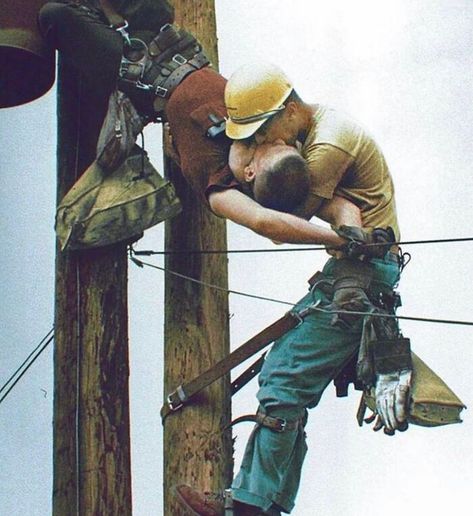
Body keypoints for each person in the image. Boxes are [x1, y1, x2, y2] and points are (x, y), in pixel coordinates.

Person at [175, 63, 412, 515]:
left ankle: (249, 505)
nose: (261, 144)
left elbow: (277, 219)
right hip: (352, 274)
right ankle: (263, 502)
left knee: (284, 381)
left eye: (260, 133)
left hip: (361, 278)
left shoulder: (328, 145)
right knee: (285, 374)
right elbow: (333, 209)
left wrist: (231, 170)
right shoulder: (311, 130)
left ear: (287, 110)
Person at [37, 0, 359, 250]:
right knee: (158, 7)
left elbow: (264, 222)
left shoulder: (221, 185)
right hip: (166, 36)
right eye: (284, 144)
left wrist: (335, 242)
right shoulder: (261, 136)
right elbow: (342, 207)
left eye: (272, 149)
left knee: (54, 16)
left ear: (251, 173)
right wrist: (357, 237)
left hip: (132, 69)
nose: (276, 140)